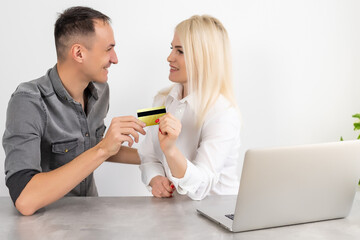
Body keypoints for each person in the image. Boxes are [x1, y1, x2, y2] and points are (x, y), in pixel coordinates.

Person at [2, 6, 146, 216]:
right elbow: (25, 198)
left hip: (91, 218)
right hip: (47, 224)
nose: (115, 59)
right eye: (108, 49)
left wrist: (156, 157)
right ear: (78, 53)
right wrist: (103, 149)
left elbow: (91, 145)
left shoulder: (100, 90)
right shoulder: (27, 101)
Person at [139, 15, 241, 200]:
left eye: (180, 51)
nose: (169, 57)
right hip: (175, 215)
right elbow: (147, 155)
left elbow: (201, 186)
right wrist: (155, 179)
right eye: (172, 49)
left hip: (217, 215)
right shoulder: (159, 100)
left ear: (204, 58)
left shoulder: (224, 113)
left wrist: (170, 150)